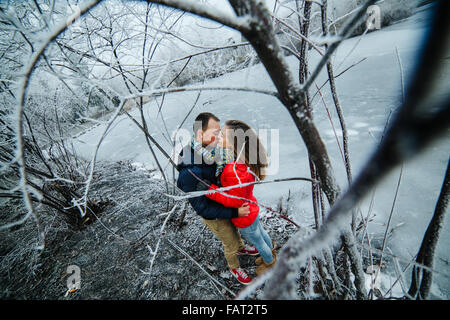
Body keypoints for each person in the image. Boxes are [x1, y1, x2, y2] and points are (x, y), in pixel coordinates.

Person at [176, 112, 257, 285]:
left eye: (220, 131)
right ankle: (234, 266)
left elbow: (221, 171)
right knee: (229, 241)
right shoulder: (191, 172)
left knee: (234, 229)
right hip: (214, 213)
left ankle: (241, 248)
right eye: (215, 132)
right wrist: (234, 211)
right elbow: (202, 208)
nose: (219, 136)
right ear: (200, 134)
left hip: (223, 201)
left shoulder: (210, 153)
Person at [199, 120, 277, 276]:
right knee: (261, 233)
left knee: (258, 241)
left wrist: (210, 190)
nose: (218, 137)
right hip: (252, 208)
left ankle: (270, 264)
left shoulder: (234, 171)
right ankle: (272, 254)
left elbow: (233, 200)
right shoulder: (245, 161)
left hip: (244, 218)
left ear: (234, 143)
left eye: (222, 135)